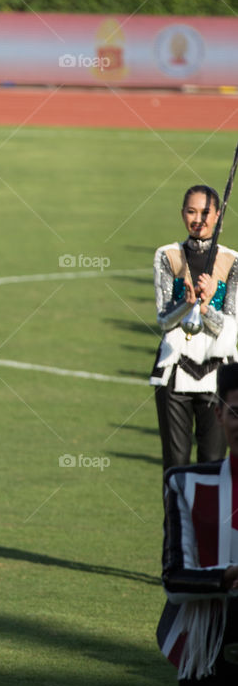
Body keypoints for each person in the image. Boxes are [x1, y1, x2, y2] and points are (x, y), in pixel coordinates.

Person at [158, 361, 238, 686]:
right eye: (236, 412)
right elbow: (173, 578)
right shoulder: (187, 483)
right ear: (219, 413)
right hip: (207, 662)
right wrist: (226, 577)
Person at [151, 185, 238, 472]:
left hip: (217, 376)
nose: (198, 219)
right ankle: (174, 519)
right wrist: (186, 304)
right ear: (182, 214)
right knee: (174, 467)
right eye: (191, 211)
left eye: (205, 212)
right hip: (174, 374)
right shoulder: (167, 256)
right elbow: (163, 320)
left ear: (217, 217)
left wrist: (204, 308)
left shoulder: (232, 261)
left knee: (213, 466)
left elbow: (231, 328)